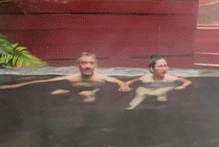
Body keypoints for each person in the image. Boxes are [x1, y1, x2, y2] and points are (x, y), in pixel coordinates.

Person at [0, 52, 130, 100]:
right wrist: (17, 84)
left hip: (97, 92)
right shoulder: (71, 78)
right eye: (84, 63)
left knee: (88, 97)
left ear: (96, 65)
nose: (88, 66)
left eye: (91, 63)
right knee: (56, 93)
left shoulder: (101, 77)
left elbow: (118, 81)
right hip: (73, 93)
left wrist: (123, 86)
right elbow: (41, 81)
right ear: (77, 65)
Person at [125, 55, 191, 109]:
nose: (164, 69)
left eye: (165, 66)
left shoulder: (170, 77)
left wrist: (182, 86)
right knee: (141, 92)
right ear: (152, 69)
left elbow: (188, 81)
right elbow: (130, 81)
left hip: (165, 89)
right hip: (151, 89)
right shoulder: (147, 77)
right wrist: (126, 86)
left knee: (161, 98)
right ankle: (131, 107)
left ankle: (156, 96)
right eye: (160, 66)